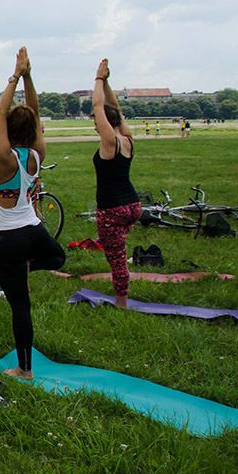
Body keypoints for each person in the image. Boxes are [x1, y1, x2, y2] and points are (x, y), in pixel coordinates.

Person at [0, 48, 65, 380]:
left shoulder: (3, 159)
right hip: (34, 233)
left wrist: (15, 76)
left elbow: (0, 113)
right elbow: (32, 111)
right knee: (58, 258)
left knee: (21, 306)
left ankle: (24, 370)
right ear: (33, 131)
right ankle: (30, 265)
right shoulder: (36, 155)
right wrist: (29, 76)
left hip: (6, 241)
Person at [91, 59, 141, 310]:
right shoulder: (127, 138)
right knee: (119, 251)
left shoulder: (110, 141)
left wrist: (99, 79)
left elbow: (99, 105)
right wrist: (108, 83)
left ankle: (121, 303)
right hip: (132, 206)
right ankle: (121, 296)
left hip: (112, 209)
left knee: (117, 260)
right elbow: (115, 109)